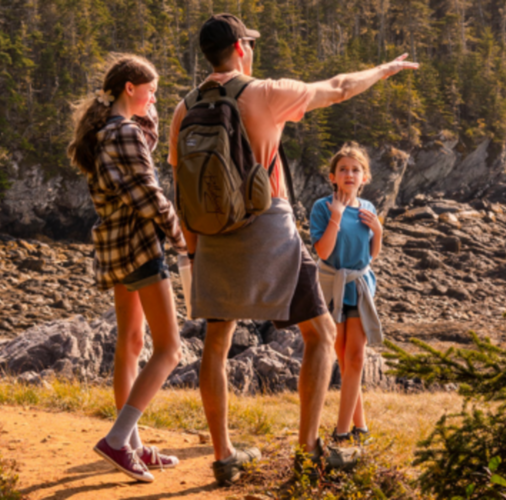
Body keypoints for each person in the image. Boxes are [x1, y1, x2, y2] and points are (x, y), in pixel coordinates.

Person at [168, 14, 418, 485]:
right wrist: (383, 70)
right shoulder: (263, 92)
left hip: (212, 234)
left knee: (215, 345)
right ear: (241, 47)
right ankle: (308, 452)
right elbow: (340, 86)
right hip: (268, 229)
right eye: (251, 43)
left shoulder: (185, 108)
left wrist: (193, 252)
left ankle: (224, 456)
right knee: (321, 334)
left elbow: (184, 186)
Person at [67, 53, 186, 484]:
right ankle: (118, 440)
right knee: (170, 350)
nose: (155, 97)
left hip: (114, 248)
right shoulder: (125, 133)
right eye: (150, 90)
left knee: (131, 343)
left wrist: (148, 120)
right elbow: (149, 195)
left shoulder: (106, 132)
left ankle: (132, 443)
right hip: (139, 247)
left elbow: (135, 169)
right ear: (130, 89)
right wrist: (183, 241)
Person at [311, 143, 384, 447]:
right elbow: (323, 251)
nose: (349, 174)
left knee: (355, 357)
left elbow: (371, 255)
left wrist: (378, 231)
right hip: (330, 288)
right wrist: (337, 217)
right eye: (343, 169)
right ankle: (361, 427)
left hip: (360, 286)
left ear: (364, 177)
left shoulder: (369, 209)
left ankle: (342, 433)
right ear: (333, 176)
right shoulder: (321, 207)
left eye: (355, 169)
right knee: (341, 357)